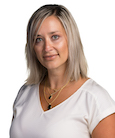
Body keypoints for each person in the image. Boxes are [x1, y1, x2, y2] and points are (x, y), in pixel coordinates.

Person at [10, 4, 115, 138]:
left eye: (54, 37)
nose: (47, 47)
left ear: (71, 39)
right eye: (38, 39)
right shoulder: (25, 93)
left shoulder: (94, 99)